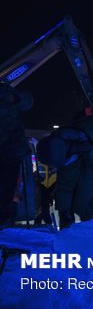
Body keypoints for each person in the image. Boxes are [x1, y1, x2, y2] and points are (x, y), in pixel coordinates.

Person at [0, 82, 33, 229]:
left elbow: (27, 102)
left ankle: (5, 227)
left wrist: (14, 97)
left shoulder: (5, 89)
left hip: (10, 150)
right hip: (11, 149)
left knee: (8, 191)